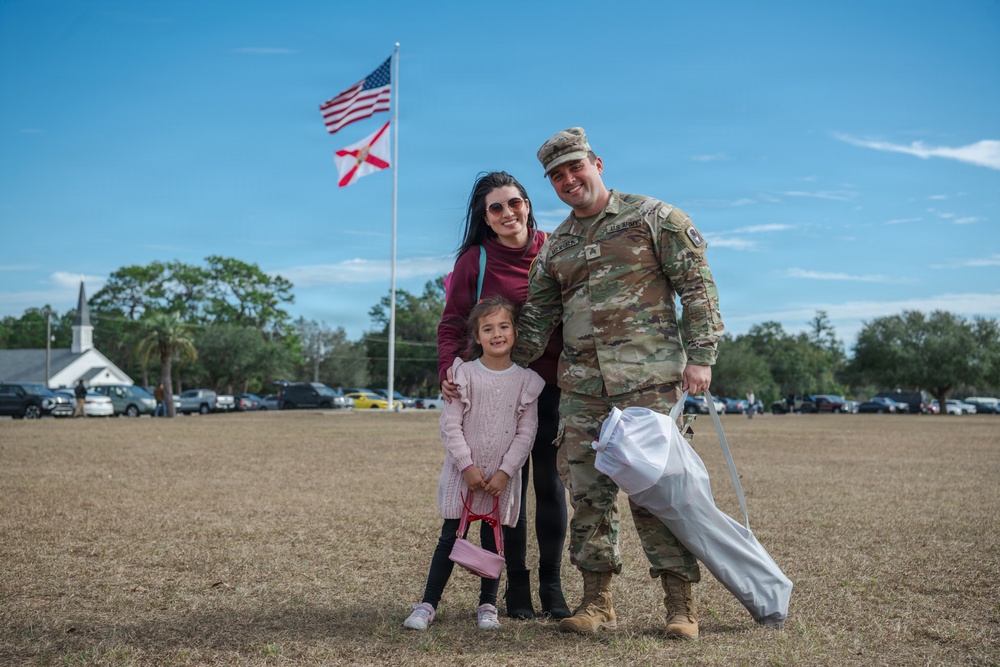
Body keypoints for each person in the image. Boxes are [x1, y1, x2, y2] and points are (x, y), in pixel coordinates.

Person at [513, 127, 725, 640]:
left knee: (659, 491)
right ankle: (596, 601)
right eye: (557, 175)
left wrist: (701, 357)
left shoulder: (656, 219)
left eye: (575, 167)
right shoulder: (556, 245)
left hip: (649, 385)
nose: (568, 180)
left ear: (597, 163)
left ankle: (680, 605)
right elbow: (537, 321)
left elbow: (697, 289)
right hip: (583, 390)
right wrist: (482, 367)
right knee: (587, 494)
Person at [437, 171, 571, 620]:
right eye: (497, 207)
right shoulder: (474, 261)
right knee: (505, 487)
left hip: (552, 386)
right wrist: (447, 371)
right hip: (496, 390)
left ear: (528, 204)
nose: (508, 213)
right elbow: (453, 322)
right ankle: (516, 588)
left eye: (515, 202)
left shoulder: (556, 248)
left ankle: (551, 587)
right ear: (486, 218)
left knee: (551, 487)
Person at [405, 296, 545, 632]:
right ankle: (427, 604)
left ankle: (488, 606)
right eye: (488, 329)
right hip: (463, 478)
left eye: (504, 326)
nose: (497, 334)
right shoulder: (463, 374)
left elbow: (527, 435)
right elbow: (450, 425)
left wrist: (505, 472)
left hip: (501, 482)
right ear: (477, 337)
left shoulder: (527, 382)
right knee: (450, 538)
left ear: (515, 332)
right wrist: (466, 466)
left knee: (493, 542)